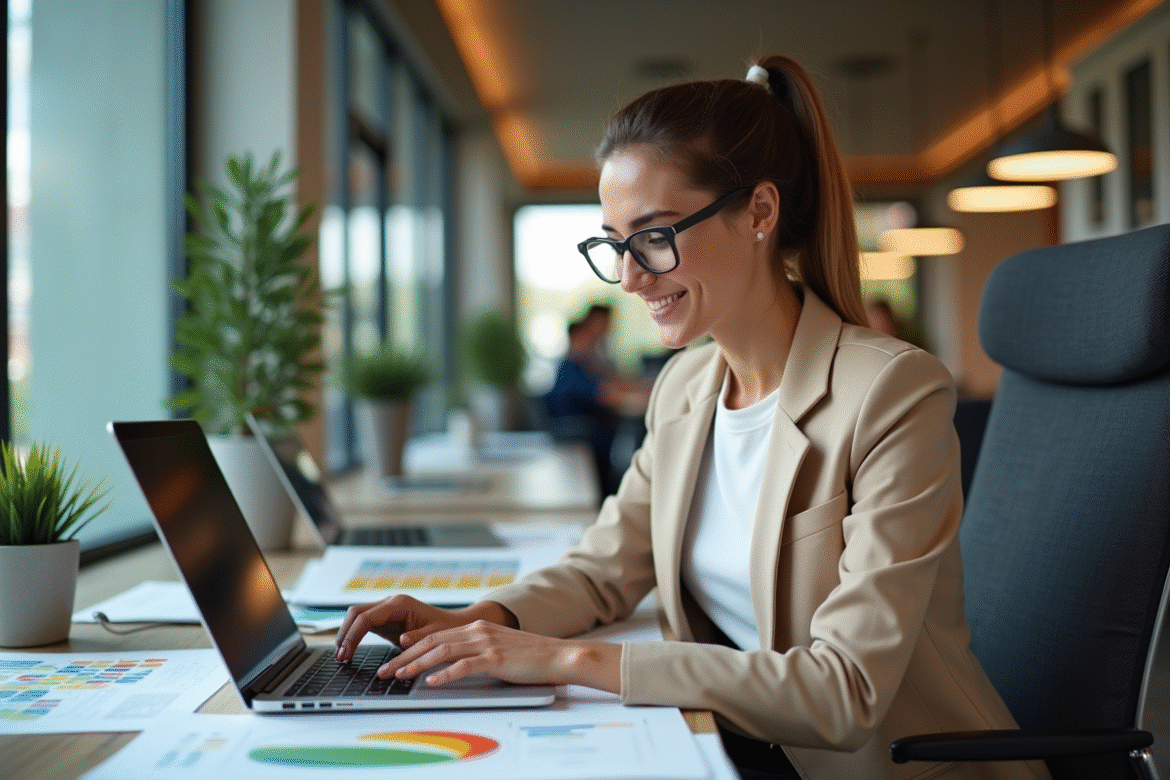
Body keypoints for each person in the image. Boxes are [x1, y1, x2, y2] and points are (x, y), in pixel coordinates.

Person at [336, 55, 1047, 780]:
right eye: (615, 243)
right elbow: (603, 571)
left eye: (654, 235)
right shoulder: (686, 389)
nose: (630, 277)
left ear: (760, 213)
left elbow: (846, 691)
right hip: (739, 748)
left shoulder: (892, 393)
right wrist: (480, 620)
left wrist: (570, 659)